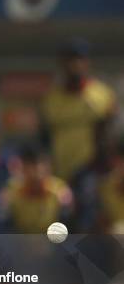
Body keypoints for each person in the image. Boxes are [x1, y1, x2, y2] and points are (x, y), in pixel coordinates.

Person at [42, 38, 116, 183]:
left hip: (91, 170)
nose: (75, 65)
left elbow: (109, 135)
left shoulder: (102, 94)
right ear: (62, 64)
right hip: (60, 170)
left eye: (80, 59)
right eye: (70, 60)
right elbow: (44, 137)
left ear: (87, 63)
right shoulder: (52, 99)